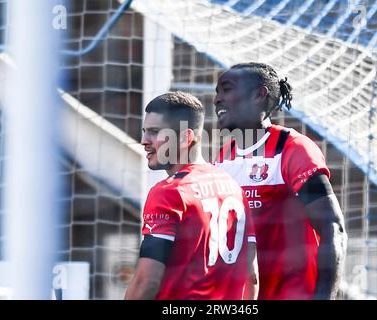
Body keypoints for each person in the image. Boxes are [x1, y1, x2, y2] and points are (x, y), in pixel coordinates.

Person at [214, 62, 347, 300]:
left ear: (259, 95)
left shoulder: (293, 149)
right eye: (217, 93)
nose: (217, 100)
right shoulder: (224, 156)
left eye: (227, 90)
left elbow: (333, 229)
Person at [124, 91, 258, 300]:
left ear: (186, 138)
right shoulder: (234, 188)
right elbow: (252, 277)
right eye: (144, 131)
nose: (143, 140)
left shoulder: (170, 192)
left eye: (154, 132)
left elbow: (146, 282)